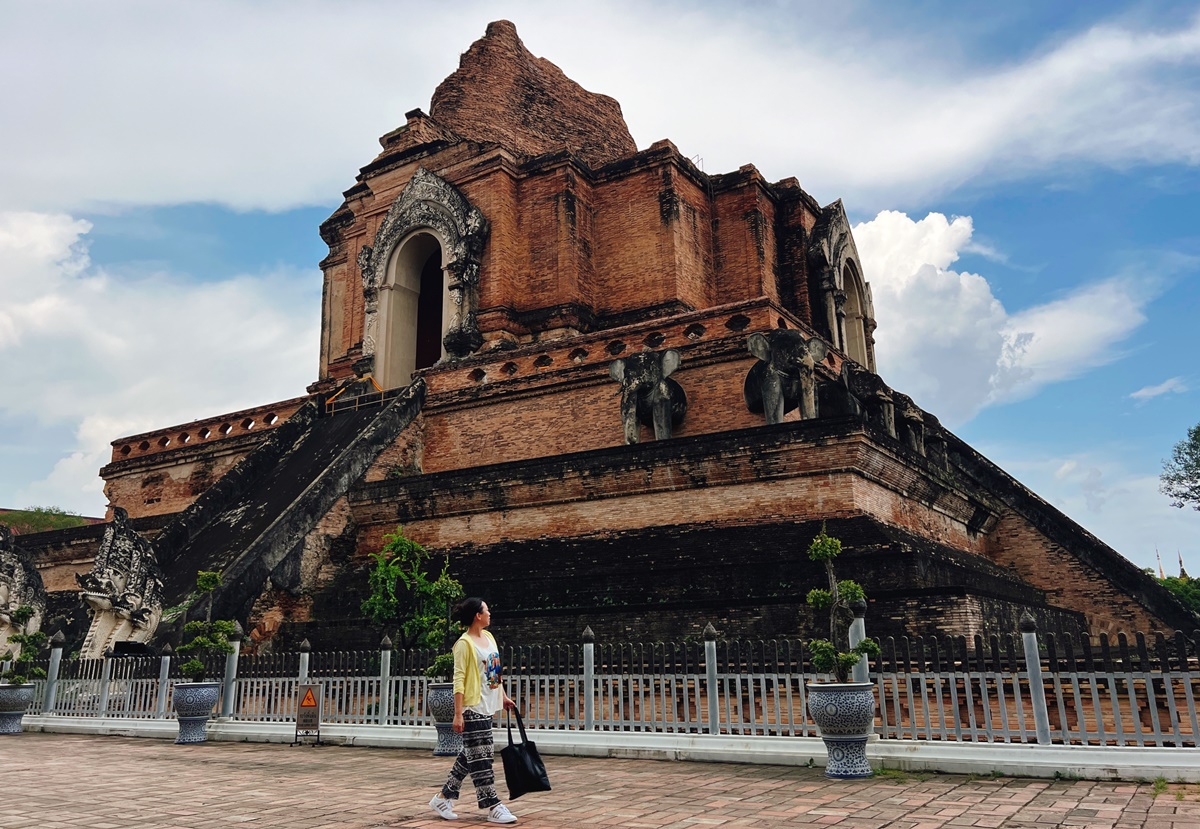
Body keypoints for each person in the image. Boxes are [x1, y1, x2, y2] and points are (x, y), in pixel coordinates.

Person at [429, 597, 519, 824]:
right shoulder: (464, 644)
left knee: (470, 756)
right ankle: (493, 805)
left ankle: (443, 798)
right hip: (472, 706)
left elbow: (495, 672)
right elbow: (458, 679)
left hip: (488, 705)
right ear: (478, 615)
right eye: (487, 610)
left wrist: (504, 696)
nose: (490, 613)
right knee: (482, 757)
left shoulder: (488, 637)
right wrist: (458, 714)